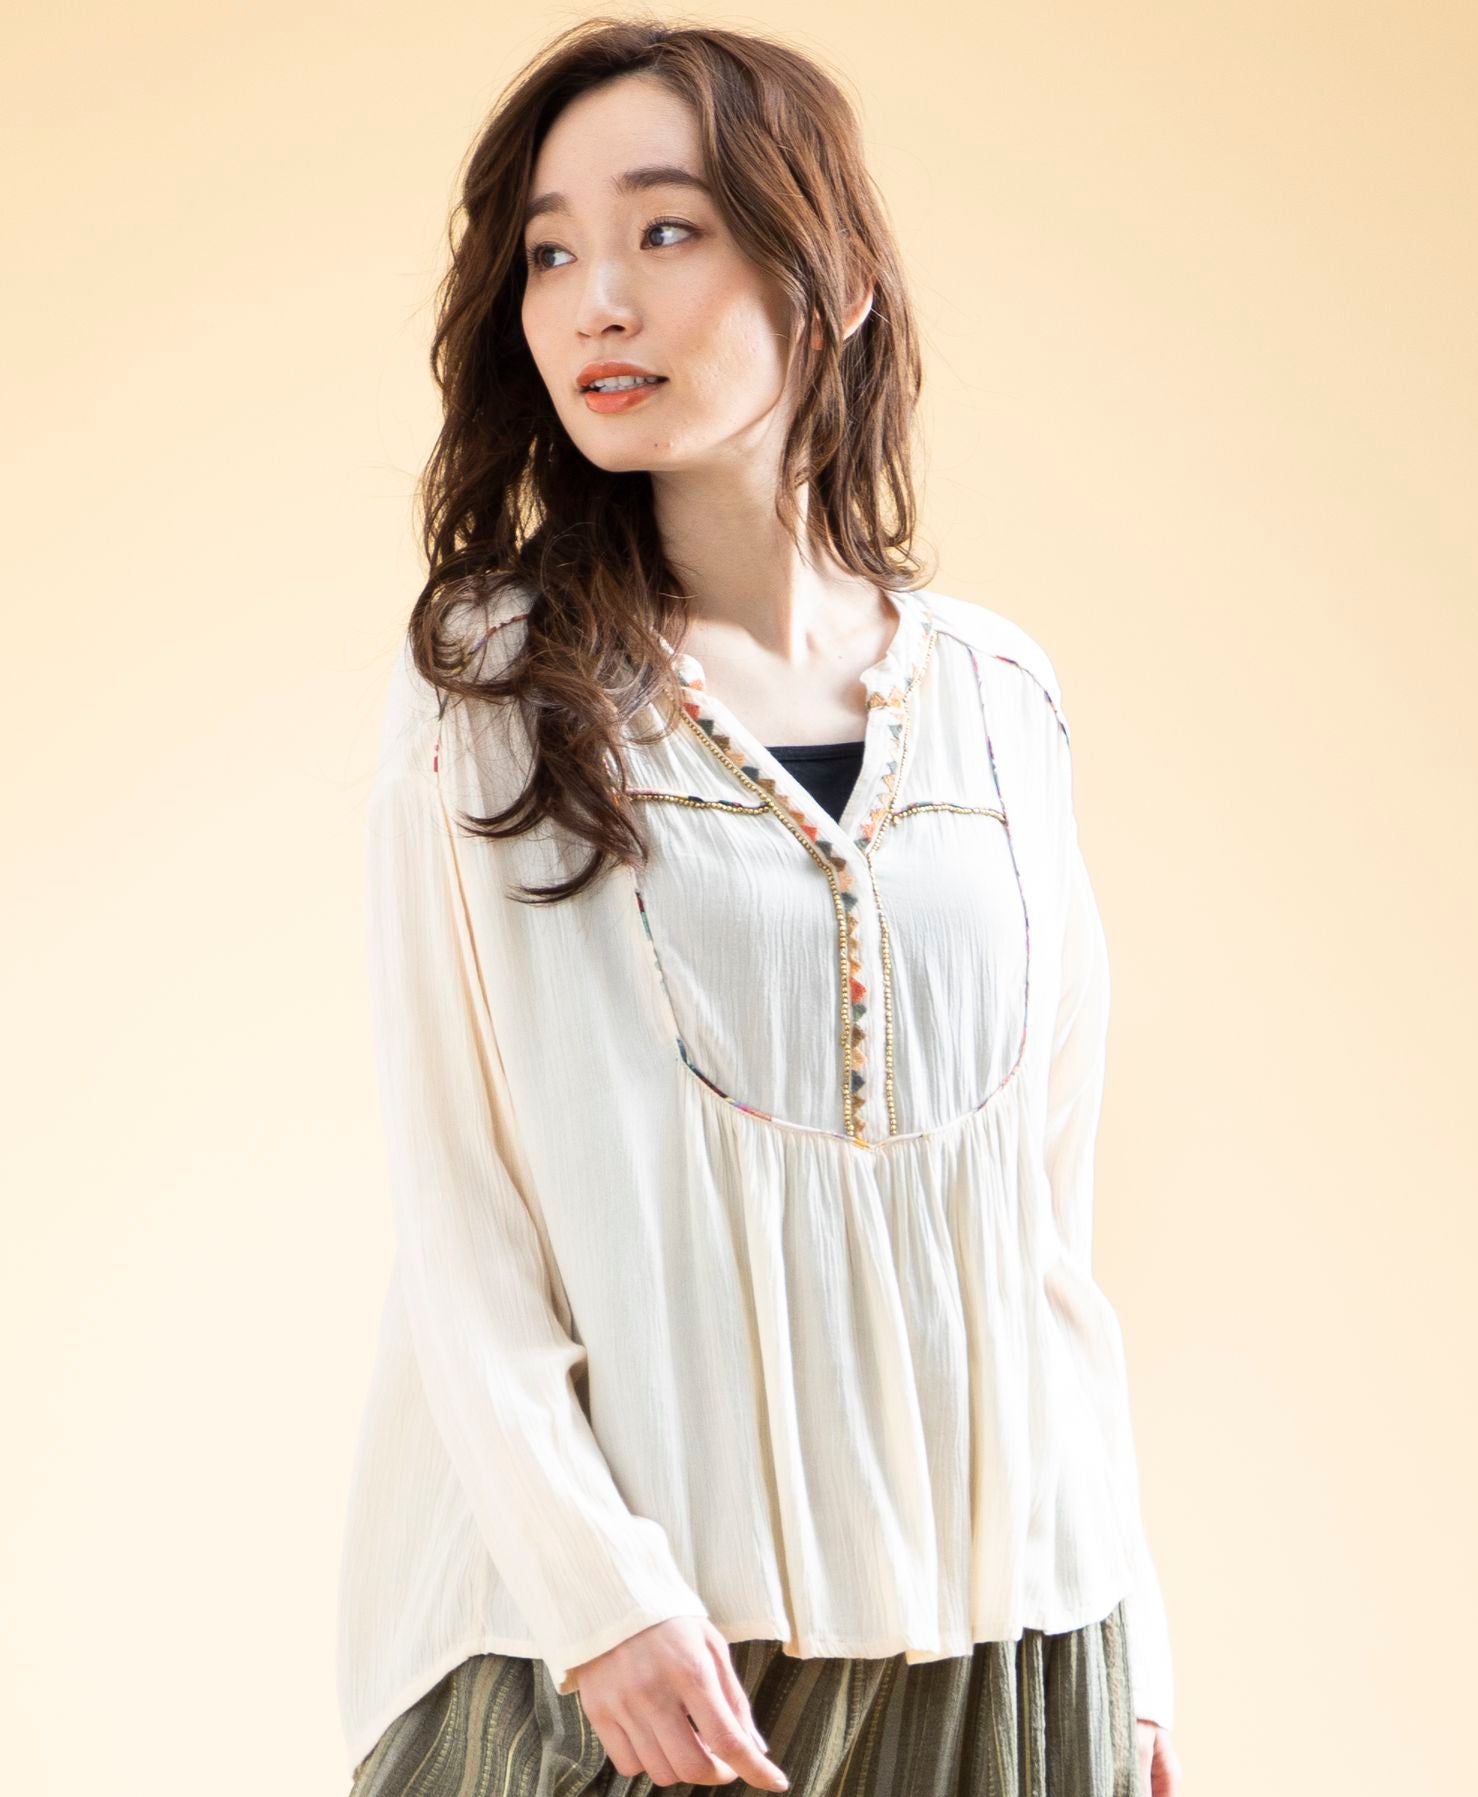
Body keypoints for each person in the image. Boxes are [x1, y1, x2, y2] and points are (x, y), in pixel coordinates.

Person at [335, 18, 1183, 1797]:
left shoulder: (999, 699)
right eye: (547, 254)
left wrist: (1132, 1641)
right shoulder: (492, 681)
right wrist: (599, 1596)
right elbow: (461, 1210)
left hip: (1012, 1648)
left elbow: (1043, 1224)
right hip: (634, 1653)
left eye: (665, 229)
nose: (595, 302)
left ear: (838, 279)